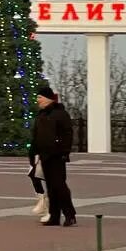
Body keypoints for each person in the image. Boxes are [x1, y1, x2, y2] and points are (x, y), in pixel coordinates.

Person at [29, 82, 76, 227]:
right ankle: (54, 216)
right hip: (44, 156)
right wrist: (32, 154)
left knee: (59, 186)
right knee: (51, 187)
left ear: (49, 99)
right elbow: (36, 137)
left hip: (56, 156)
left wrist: (64, 152)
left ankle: (70, 215)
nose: (38, 100)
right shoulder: (41, 115)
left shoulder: (60, 114)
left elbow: (68, 134)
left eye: (40, 97)